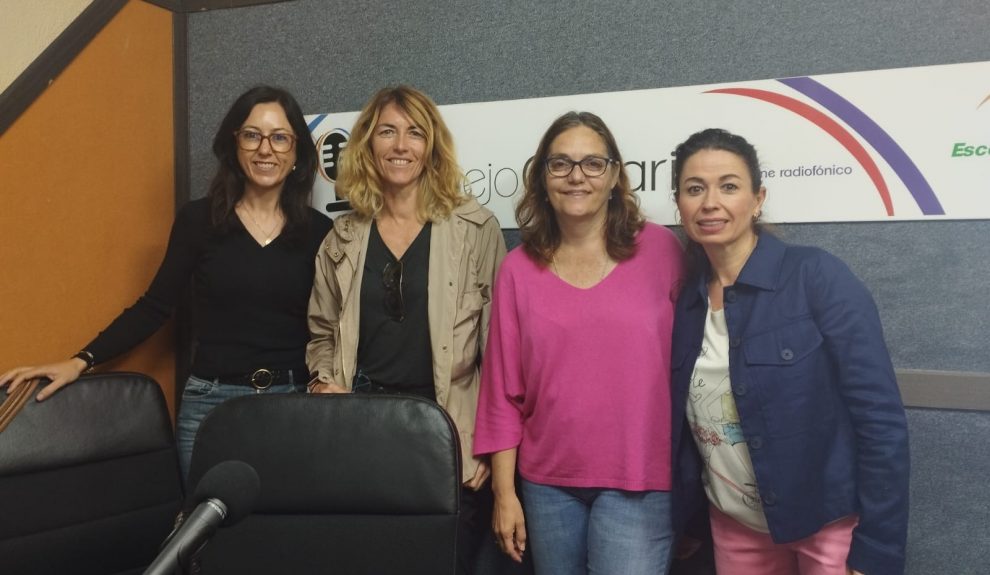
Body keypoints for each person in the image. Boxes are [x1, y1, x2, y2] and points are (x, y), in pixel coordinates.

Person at [0, 86, 332, 480]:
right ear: (234, 144)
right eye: (251, 135)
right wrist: (80, 361)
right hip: (211, 405)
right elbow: (155, 306)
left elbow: (333, 325)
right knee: (205, 533)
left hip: (291, 403)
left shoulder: (319, 232)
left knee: (286, 531)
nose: (265, 149)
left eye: (280, 137)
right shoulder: (198, 221)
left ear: (296, 154)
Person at [669, 128, 909, 575]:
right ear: (679, 203)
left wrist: (878, 545)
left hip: (829, 524)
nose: (710, 202)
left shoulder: (816, 277)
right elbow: (686, 428)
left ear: (758, 198)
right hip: (734, 526)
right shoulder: (685, 303)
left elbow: (880, 419)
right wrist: (686, 518)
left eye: (729, 186)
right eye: (694, 189)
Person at [305, 85, 506, 575]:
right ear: (368, 144)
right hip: (363, 432)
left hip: (446, 434)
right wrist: (322, 381)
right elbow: (320, 331)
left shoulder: (475, 228)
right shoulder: (343, 236)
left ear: (432, 146)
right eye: (387, 132)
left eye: (415, 133)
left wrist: (486, 442)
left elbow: (500, 350)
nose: (401, 145)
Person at [474, 111, 684, 574]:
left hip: (642, 480)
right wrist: (505, 494)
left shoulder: (664, 252)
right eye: (561, 164)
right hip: (548, 484)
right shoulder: (517, 269)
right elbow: (502, 393)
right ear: (542, 177)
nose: (576, 176)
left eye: (592, 163)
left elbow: (695, 367)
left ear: (614, 176)